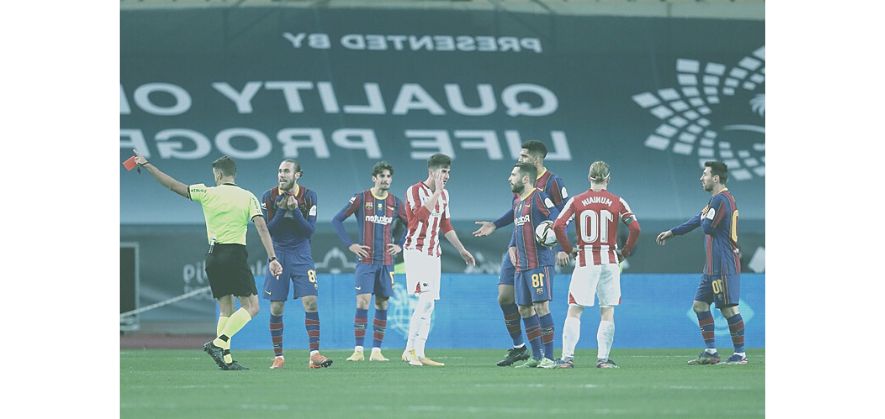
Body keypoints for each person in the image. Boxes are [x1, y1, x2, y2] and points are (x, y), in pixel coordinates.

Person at [131, 152, 283, 370]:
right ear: (234, 174)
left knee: (225, 310)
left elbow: (173, 186)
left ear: (219, 174)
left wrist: (147, 165)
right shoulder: (248, 197)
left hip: (213, 256)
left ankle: (227, 359)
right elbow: (261, 227)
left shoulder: (206, 192)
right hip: (234, 254)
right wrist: (272, 258)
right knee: (252, 307)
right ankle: (218, 344)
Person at [473, 140, 570, 367]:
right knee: (511, 301)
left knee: (540, 305)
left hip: (539, 252)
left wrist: (562, 244)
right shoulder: (519, 195)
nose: (520, 159)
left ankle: (546, 356)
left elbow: (563, 215)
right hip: (519, 247)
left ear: (536, 160)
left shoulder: (550, 185)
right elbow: (518, 214)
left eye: (524, 156)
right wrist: (498, 227)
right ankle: (524, 350)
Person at [551, 161, 641, 369]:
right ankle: (603, 359)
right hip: (609, 261)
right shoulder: (618, 201)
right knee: (607, 310)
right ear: (608, 179)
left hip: (586, 260)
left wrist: (568, 249)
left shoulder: (577, 201)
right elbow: (635, 228)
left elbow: (558, 226)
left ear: (589, 177)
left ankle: (567, 359)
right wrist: (625, 252)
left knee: (575, 310)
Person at [655, 161, 746, 365]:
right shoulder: (716, 201)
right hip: (712, 266)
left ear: (715, 178)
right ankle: (711, 352)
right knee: (699, 305)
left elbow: (707, 227)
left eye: (705, 174)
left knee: (728, 309)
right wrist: (673, 232)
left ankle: (740, 354)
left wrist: (704, 217)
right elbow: (698, 219)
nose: (701, 178)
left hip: (723, 264)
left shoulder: (721, 200)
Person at [401, 153, 476, 367]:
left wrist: (461, 250)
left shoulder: (445, 196)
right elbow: (418, 219)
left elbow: (446, 225)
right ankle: (409, 350)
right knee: (424, 299)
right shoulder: (414, 190)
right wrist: (437, 192)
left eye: (449, 172)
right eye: (443, 171)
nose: (447, 175)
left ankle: (421, 352)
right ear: (432, 172)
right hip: (416, 250)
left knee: (430, 305)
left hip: (434, 253)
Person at [331, 161, 409, 362]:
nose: (385, 180)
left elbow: (411, 223)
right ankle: (358, 350)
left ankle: (376, 351)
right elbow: (337, 220)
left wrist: (400, 244)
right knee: (363, 302)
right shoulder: (361, 198)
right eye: (381, 176)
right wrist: (351, 245)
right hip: (365, 261)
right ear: (374, 178)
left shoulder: (395, 202)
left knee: (383, 304)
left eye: (388, 176)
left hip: (386, 261)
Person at [261, 159, 332, 369]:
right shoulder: (269, 196)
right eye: (279, 171)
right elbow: (268, 230)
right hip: (278, 252)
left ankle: (314, 355)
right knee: (276, 306)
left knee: (310, 301)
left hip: (301, 253)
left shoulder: (309, 196)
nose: (281, 175)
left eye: (286, 171)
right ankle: (279, 356)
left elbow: (309, 231)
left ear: (297, 175)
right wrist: (283, 210)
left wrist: (296, 211)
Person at [501, 162, 561, 369]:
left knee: (541, 307)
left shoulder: (540, 197)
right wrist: (511, 246)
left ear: (525, 178)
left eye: (513, 174)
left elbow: (557, 219)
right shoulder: (518, 202)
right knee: (524, 309)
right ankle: (536, 356)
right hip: (522, 266)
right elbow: (517, 229)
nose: (509, 178)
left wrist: (551, 234)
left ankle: (550, 358)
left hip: (539, 263)